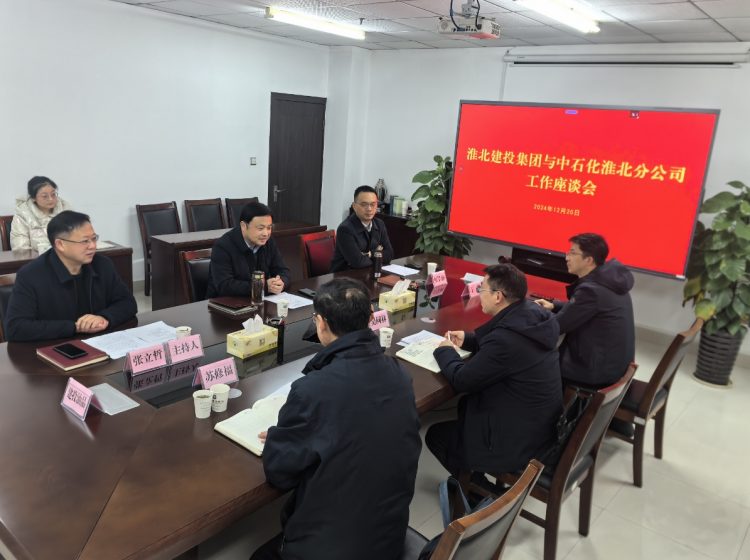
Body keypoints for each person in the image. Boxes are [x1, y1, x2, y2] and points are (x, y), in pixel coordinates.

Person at [251, 278, 421, 560]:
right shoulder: (399, 373)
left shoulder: (313, 388)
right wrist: (297, 433)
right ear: (370, 317)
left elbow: (280, 472)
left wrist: (283, 438)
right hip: (388, 537)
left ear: (320, 323)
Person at [426, 263, 562, 477]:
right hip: (539, 428)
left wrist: (445, 350)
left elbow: (462, 380)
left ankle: (473, 489)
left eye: (482, 289)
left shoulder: (506, 341)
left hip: (517, 442)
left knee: (436, 436)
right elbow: (504, 345)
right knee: (465, 406)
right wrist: (469, 339)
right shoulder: (533, 314)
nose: (479, 294)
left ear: (498, 296)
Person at [4, 211, 137, 342]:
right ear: (60, 244)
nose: (93, 246)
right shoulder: (31, 275)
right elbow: (16, 328)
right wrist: (75, 327)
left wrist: (104, 318)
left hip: (101, 343)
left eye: (94, 238)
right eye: (85, 241)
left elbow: (128, 303)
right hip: (54, 347)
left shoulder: (102, 264)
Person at [535, 233, 635, 388]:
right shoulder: (610, 280)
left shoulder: (592, 290)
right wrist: (554, 305)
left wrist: (523, 317)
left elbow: (557, 327)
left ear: (589, 260)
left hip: (594, 372)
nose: (567, 258)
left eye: (572, 253)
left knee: (530, 364)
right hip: (614, 366)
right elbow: (584, 309)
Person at [205, 201, 290, 298]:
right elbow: (225, 286)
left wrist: (281, 282)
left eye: (269, 228)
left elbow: (283, 270)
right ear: (244, 226)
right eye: (260, 228)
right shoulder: (222, 247)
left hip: (257, 300)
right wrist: (263, 287)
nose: (266, 233)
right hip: (224, 303)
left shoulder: (268, 242)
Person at [329, 185, 394, 272]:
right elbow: (358, 262)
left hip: (369, 273)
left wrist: (370, 254)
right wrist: (378, 254)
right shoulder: (345, 229)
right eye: (364, 204)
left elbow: (389, 254)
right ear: (354, 206)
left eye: (373, 204)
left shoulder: (379, 224)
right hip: (344, 276)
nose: (369, 209)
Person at [10, 176, 72, 252]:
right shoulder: (22, 215)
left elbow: (77, 237)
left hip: (66, 256)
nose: (50, 199)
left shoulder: (65, 208)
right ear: (33, 198)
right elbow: (21, 249)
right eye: (44, 196)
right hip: (37, 258)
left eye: (53, 194)